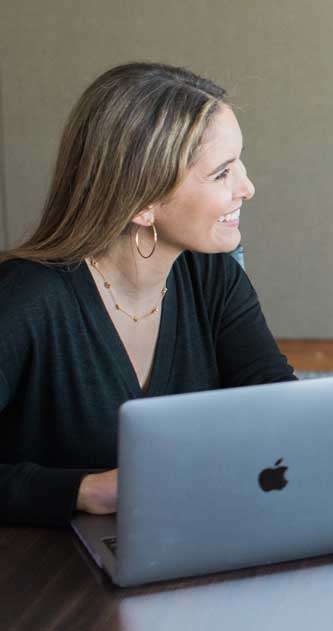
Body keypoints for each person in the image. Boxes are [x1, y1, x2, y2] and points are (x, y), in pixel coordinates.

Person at [0, 63, 296, 527]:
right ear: (143, 204)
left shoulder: (213, 276)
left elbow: (278, 404)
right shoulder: (26, 298)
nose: (248, 187)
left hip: (181, 549)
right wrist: (81, 490)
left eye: (240, 162)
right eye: (221, 173)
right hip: (46, 579)